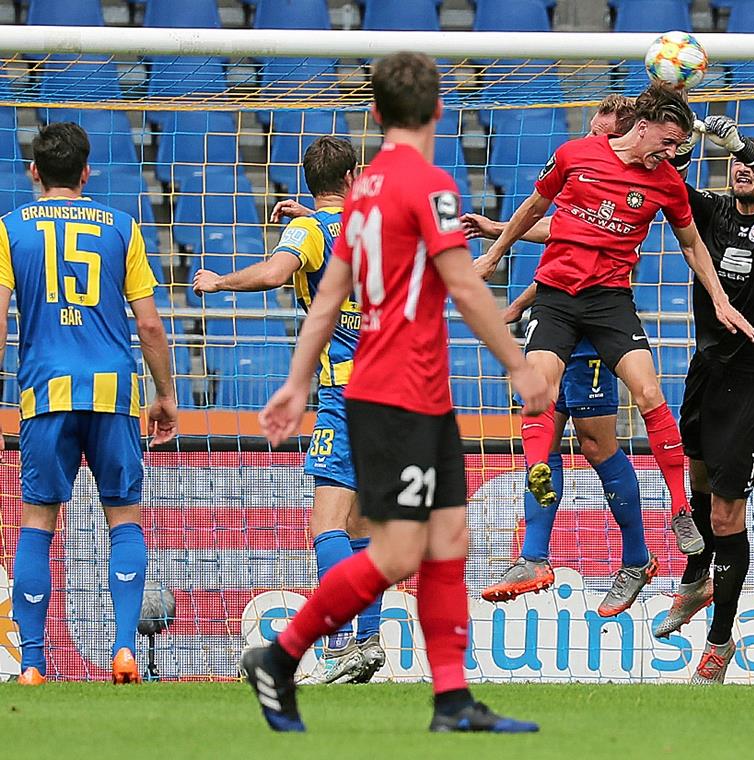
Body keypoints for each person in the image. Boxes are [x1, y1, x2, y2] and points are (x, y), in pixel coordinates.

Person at [242, 52, 550, 734]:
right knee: (401, 552)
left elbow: (327, 296)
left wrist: (296, 381)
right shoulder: (430, 183)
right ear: (439, 110)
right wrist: (518, 363)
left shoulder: (363, 196)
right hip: (397, 393)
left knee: (450, 537)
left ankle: (451, 701)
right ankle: (282, 654)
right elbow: (464, 284)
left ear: (376, 114)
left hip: (413, 392)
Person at [474, 85, 754, 565]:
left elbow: (691, 244)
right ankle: (539, 474)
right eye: (666, 142)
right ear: (642, 127)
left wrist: (720, 299)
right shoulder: (574, 155)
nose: (670, 154)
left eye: (677, 147)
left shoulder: (665, 181)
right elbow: (536, 212)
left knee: (648, 391)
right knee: (539, 391)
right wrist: (495, 253)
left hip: (609, 303)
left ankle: (680, 507)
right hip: (558, 299)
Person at [193, 136, 384, 685]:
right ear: (352, 179)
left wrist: (219, 280)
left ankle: (347, 642)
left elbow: (278, 273)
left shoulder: (309, 231)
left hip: (345, 394)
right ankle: (367, 640)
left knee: (327, 524)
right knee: (364, 524)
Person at [1, 122, 178, 685]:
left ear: (34, 172)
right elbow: (149, 324)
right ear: (86, 172)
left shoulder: (10, 230)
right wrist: (166, 395)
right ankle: (123, 649)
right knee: (123, 519)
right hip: (114, 394)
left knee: (37, 521)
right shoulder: (122, 228)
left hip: (45, 392)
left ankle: (31, 662)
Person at [465, 95, 654, 616]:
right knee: (539, 426)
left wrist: (504, 243)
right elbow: (563, 245)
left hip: (595, 332)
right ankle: (533, 556)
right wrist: (520, 293)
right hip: (556, 318)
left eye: (603, 132)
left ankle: (636, 558)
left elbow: (586, 251)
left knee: (596, 446)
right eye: (593, 132)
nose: (595, 141)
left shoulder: (631, 187)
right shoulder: (585, 176)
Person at [642, 118, 754, 684]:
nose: (739, 167)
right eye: (733, 161)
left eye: (750, 161)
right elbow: (665, 182)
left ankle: (718, 643)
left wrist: (743, 143)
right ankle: (696, 575)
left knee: (725, 511)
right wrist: (668, 140)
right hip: (705, 372)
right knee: (700, 483)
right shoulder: (713, 212)